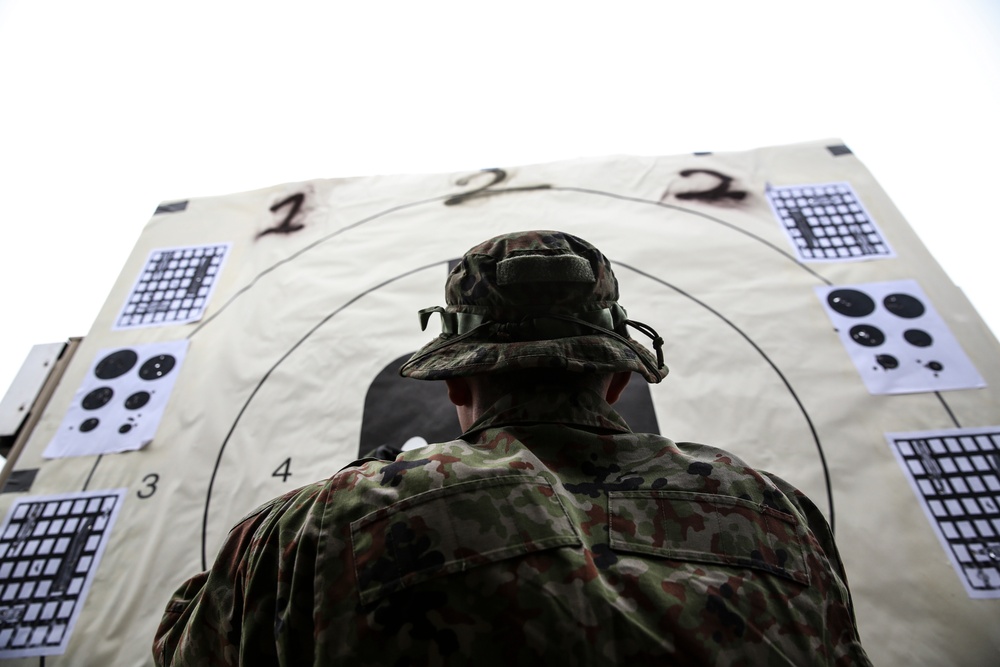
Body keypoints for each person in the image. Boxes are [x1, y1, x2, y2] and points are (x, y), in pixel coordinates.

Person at [153, 230, 871, 665]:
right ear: (618, 375)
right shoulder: (776, 512)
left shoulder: (323, 522)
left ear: (457, 378)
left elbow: (188, 649)